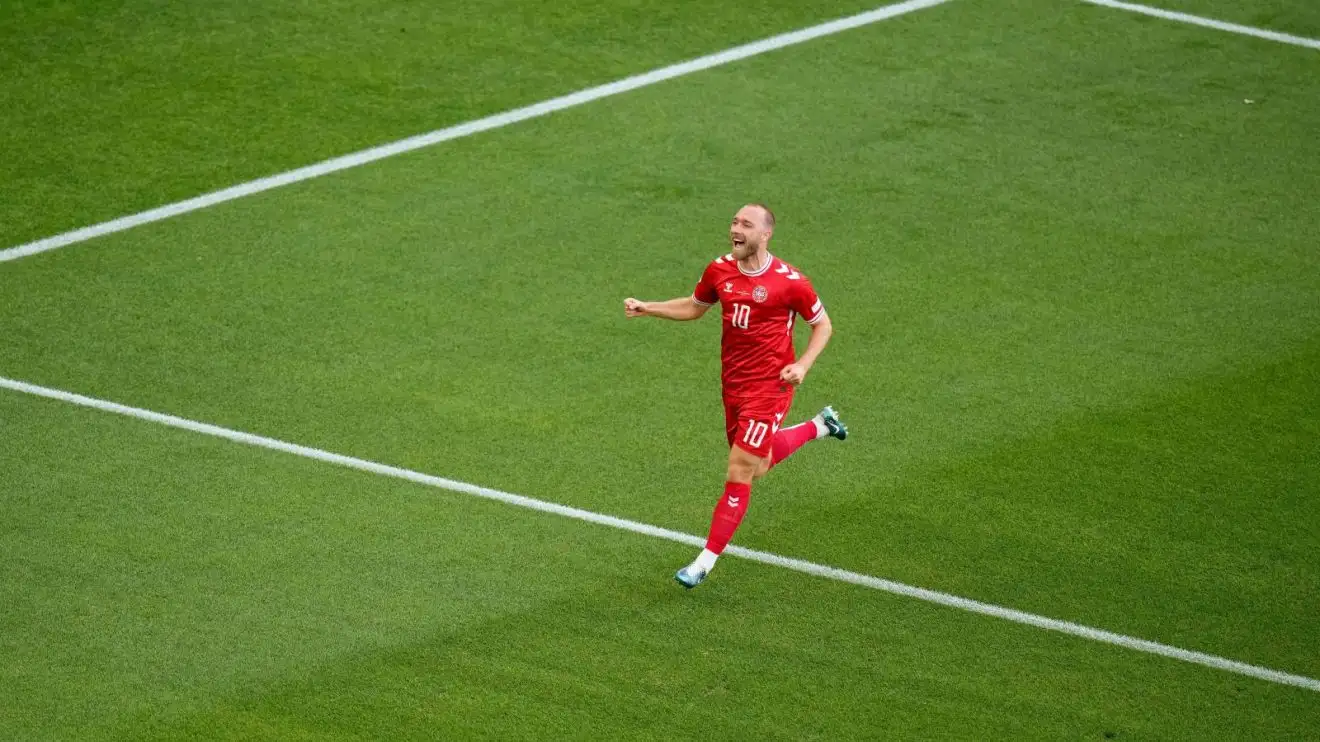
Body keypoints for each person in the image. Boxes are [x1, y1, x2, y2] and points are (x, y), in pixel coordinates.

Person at [623, 203, 847, 589]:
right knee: (757, 466)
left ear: (765, 234)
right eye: (734, 222)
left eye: (746, 224)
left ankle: (703, 563)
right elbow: (695, 307)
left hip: (771, 387)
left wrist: (803, 366)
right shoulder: (719, 269)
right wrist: (648, 307)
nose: (735, 229)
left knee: (740, 467)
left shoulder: (790, 281)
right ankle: (819, 426)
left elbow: (822, 325)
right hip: (734, 385)